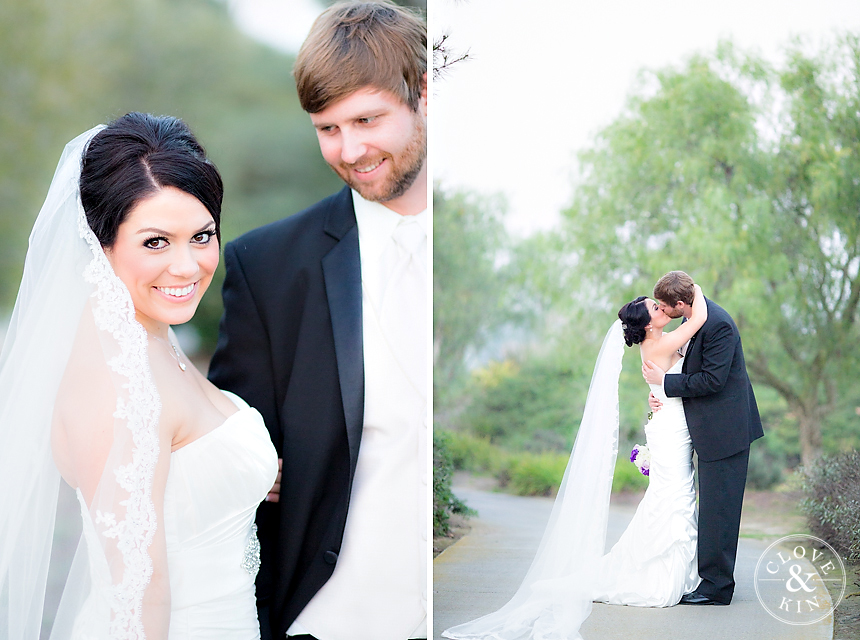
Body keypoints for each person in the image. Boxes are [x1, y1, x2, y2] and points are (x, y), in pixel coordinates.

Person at [0, 112, 278, 639]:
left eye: (202, 236)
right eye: (156, 242)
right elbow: (138, 594)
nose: (187, 266)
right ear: (101, 244)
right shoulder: (114, 379)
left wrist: (250, 472)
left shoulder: (148, 334)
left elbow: (179, 479)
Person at [207, 2, 428, 639]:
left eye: (367, 119)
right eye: (327, 128)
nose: (350, 149)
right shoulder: (267, 267)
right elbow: (239, 480)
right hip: (328, 619)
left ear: (423, 93)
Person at [442, 285, 709, 640]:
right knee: (673, 495)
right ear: (646, 325)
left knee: (671, 496)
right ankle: (660, 574)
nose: (662, 308)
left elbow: (667, 378)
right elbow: (701, 317)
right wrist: (694, 289)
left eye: (660, 305)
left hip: (670, 424)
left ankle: (666, 566)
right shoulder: (658, 343)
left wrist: (657, 392)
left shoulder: (657, 342)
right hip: (670, 431)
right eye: (655, 308)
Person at [643, 270, 763, 605]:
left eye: (666, 308)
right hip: (707, 429)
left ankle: (718, 588)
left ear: (680, 303)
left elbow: (712, 380)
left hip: (727, 431)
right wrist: (660, 393)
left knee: (720, 510)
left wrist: (666, 385)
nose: (664, 314)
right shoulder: (697, 319)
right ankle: (709, 580)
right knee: (712, 509)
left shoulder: (717, 324)